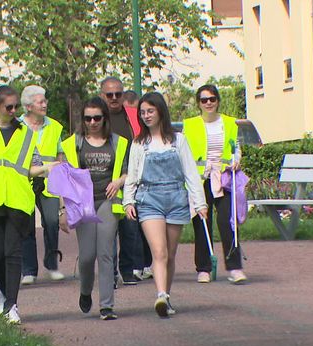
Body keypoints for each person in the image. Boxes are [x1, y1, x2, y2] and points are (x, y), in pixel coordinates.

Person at [0, 85, 55, 325]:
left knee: (12, 254)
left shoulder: (25, 133)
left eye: (16, 106)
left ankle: (12, 305)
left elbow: (29, 167)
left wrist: (47, 168)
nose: (14, 111)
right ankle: (3, 294)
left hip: (18, 199)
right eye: (9, 107)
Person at [123, 92, 207, 318]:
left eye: (150, 111)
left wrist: (200, 203)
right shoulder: (139, 143)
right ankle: (160, 295)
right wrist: (128, 201)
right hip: (149, 199)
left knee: (169, 254)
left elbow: (191, 173)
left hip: (176, 199)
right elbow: (131, 176)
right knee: (158, 251)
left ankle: (166, 296)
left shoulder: (178, 140)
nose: (146, 116)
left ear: (160, 111)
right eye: (142, 113)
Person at [59, 97, 129, 321]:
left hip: (108, 201)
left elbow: (129, 171)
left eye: (97, 118)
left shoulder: (118, 142)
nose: (92, 122)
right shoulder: (73, 143)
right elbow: (64, 177)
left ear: (104, 119)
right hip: (84, 203)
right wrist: (62, 210)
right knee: (88, 256)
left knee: (106, 252)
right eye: (88, 118)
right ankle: (85, 290)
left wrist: (118, 182)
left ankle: (107, 306)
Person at [183, 84, 248, 284]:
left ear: (217, 100)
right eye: (204, 100)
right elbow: (184, 151)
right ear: (199, 103)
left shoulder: (229, 123)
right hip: (200, 179)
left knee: (227, 222)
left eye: (212, 99)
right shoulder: (190, 125)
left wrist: (236, 158)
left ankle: (235, 267)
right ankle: (203, 268)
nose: (209, 103)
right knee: (202, 222)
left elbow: (235, 146)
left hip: (224, 177)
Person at [99, 77, 150, 285]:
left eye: (118, 94)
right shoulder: (96, 117)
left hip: (129, 175)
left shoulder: (132, 117)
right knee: (107, 231)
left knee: (130, 228)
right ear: (102, 95)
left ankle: (128, 270)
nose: (113, 98)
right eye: (109, 95)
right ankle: (110, 274)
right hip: (103, 178)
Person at [19, 85, 66, 285]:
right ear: (29, 106)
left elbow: (60, 156)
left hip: (49, 180)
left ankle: (52, 264)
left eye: (45, 101)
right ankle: (29, 270)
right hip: (25, 180)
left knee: (52, 222)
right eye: (41, 102)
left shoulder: (54, 126)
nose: (45, 104)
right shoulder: (17, 125)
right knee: (26, 225)